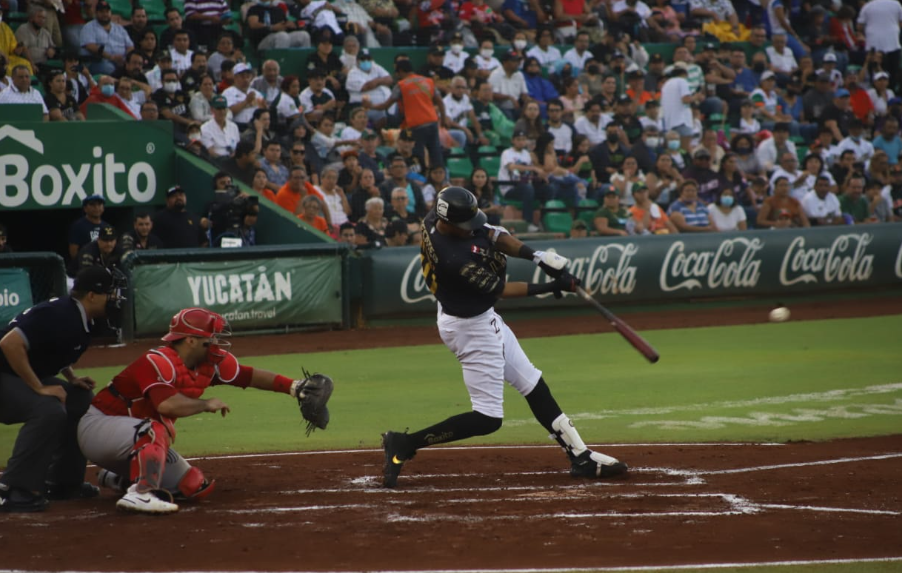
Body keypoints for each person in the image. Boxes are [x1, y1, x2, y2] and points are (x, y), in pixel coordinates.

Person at [380, 187, 626, 489]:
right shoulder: (453, 259)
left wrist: (536, 256)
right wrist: (552, 286)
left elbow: (491, 233)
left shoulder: (436, 215)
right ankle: (404, 443)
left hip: (478, 317)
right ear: (450, 223)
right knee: (487, 419)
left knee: (533, 384)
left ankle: (581, 457)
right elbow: (499, 290)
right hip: (470, 328)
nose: (473, 228)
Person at [78, 308, 330, 514]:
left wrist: (294, 387)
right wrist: (205, 404)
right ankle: (140, 493)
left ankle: (115, 477)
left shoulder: (207, 364)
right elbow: (166, 405)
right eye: (211, 337)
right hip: (98, 428)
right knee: (154, 429)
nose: (216, 343)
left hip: (132, 440)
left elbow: (247, 376)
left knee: (193, 485)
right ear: (190, 340)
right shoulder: (157, 361)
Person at [0, 266, 126, 513]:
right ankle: (13, 488)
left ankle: (62, 482)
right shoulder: (59, 314)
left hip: (10, 374)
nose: (115, 298)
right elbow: (9, 343)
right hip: (3, 373)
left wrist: (71, 377)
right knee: (48, 409)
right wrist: (39, 387)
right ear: (91, 295)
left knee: (78, 398)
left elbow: (52, 348)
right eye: (110, 293)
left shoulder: (77, 317)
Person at [365, 59, 449, 169]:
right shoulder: (428, 81)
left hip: (416, 126)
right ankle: (440, 181)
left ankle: (422, 178)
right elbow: (440, 102)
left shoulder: (401, 85)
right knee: (436, 154)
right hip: (432, 123)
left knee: (418, 157)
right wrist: (443, 119)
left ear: (400, 71)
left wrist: (370, 106)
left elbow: (385, 105)